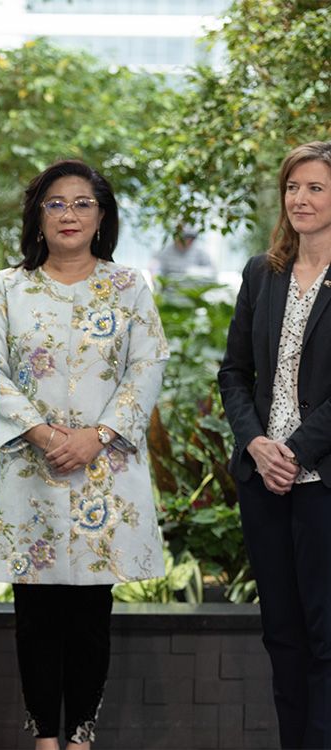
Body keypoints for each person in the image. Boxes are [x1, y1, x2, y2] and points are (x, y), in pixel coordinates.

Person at [0, 160, 168, 749]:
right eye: (56, 203)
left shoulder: (129, 286)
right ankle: (43, 738)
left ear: (101, 216)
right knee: (35, 614)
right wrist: (40, 433)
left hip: (103, 476)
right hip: (30, 473)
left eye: (82, 203)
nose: (69, 215)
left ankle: (79, 736)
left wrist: (97, 435)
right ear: (37, 216)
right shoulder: (10, 286)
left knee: (89, 615)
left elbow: (148, 365)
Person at [218, 140, 331, 749]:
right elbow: (234, 372)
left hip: (321, 483)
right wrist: (259, 444)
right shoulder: (263, 272)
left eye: (315, 187)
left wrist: (296, 452)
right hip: (263, 481)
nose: (301, 199)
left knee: (325, 637)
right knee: (281, 635)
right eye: (293, 187)